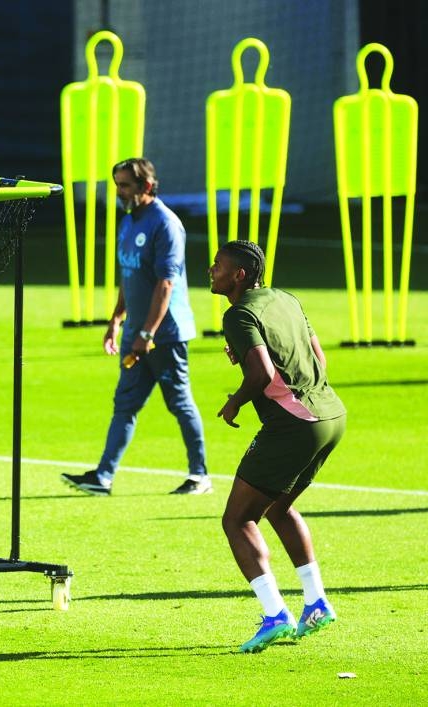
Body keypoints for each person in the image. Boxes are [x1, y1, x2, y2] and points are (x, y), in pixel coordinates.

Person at [211, 240, 346, 653]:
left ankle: (275, 614)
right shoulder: (285, 298)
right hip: (331, 415)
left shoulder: (238, 313)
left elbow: (263, 372)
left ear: (239, 275)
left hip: (295, 424)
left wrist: (235, 400)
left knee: (236, 520)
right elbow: (317, 357)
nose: (210, 271)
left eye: (218, 266)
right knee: (278, 507)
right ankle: (316, 602)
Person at [61, 157, 210, 496]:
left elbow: (165, 285)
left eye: (125, 185)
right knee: (124, 404)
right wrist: (116, 320)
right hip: (135, 336)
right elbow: (129, 277)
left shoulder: (165, 224)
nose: (119, 192)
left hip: (165, 336)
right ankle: (103, 477)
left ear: (145, 185)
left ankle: (199, 476)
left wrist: (148, 334)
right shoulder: (129, 222)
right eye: (116, 185)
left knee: (179, 403)